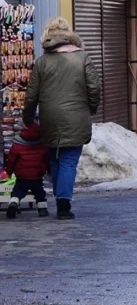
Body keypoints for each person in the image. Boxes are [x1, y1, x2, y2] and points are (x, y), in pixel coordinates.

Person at [23, 18, 101, 220]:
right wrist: (91, 108)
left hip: (49, 117)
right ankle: (63, 204)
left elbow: (32, 94)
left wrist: (28, 117)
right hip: (77, 116)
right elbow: (94, 87)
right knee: (68, 161)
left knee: (55, 159)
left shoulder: (42, 62)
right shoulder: (83, 58)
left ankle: (60, 197)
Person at [6, 122, 49, 218]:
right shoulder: (42, 145)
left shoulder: (17, 145)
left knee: (17, 192)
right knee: (40, 193)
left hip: (22, 176)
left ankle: (13, 203)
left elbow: (11, 161)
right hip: (37, 176)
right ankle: (42, 209)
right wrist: (49, 170)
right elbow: (47, 160)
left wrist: (9, 172)